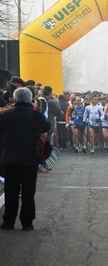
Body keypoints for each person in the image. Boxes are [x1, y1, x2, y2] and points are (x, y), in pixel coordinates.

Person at [0, 87, 50, 230]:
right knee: (28, 192)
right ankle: (27, 222)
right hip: (30, 159)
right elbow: (46, 125)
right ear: (30, 99)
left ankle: (9, 221)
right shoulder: (34, 114)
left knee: (11, 192)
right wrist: (36, 110)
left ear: (15, 99)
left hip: (10, 158)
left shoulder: (7, 114)